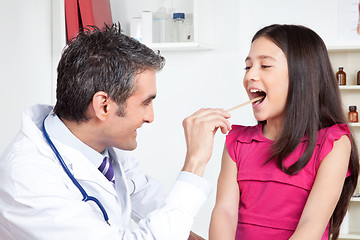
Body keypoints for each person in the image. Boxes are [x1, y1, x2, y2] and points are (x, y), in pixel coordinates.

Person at [0, 24, 231, 240]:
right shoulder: (28, 180)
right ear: (104, 106)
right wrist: (195, 163)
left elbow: (163, 212)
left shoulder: (98, 148)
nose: (151, 117)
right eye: (146, 103)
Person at [209, 24, 360, 240]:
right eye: (248, 67)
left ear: (303, 75)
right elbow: (224, 213)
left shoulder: (333, 143)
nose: (250, 75)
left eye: (265, 66)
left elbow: (311, 226)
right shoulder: (237, 141)